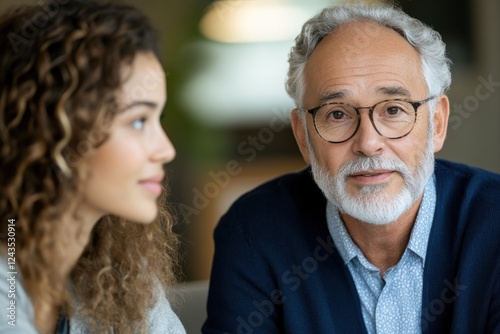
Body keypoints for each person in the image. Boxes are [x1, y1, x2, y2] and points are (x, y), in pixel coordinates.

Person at [203, 2, 500, 334]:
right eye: (338, 114)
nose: (368, 142)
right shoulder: (254, 233)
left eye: (393, 109)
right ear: (303, 135)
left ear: (438, 123)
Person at [0, 0, 186, 333]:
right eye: (139, 121)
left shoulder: (126, 278)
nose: (166, 149)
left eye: (159, 118)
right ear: (54, 130)